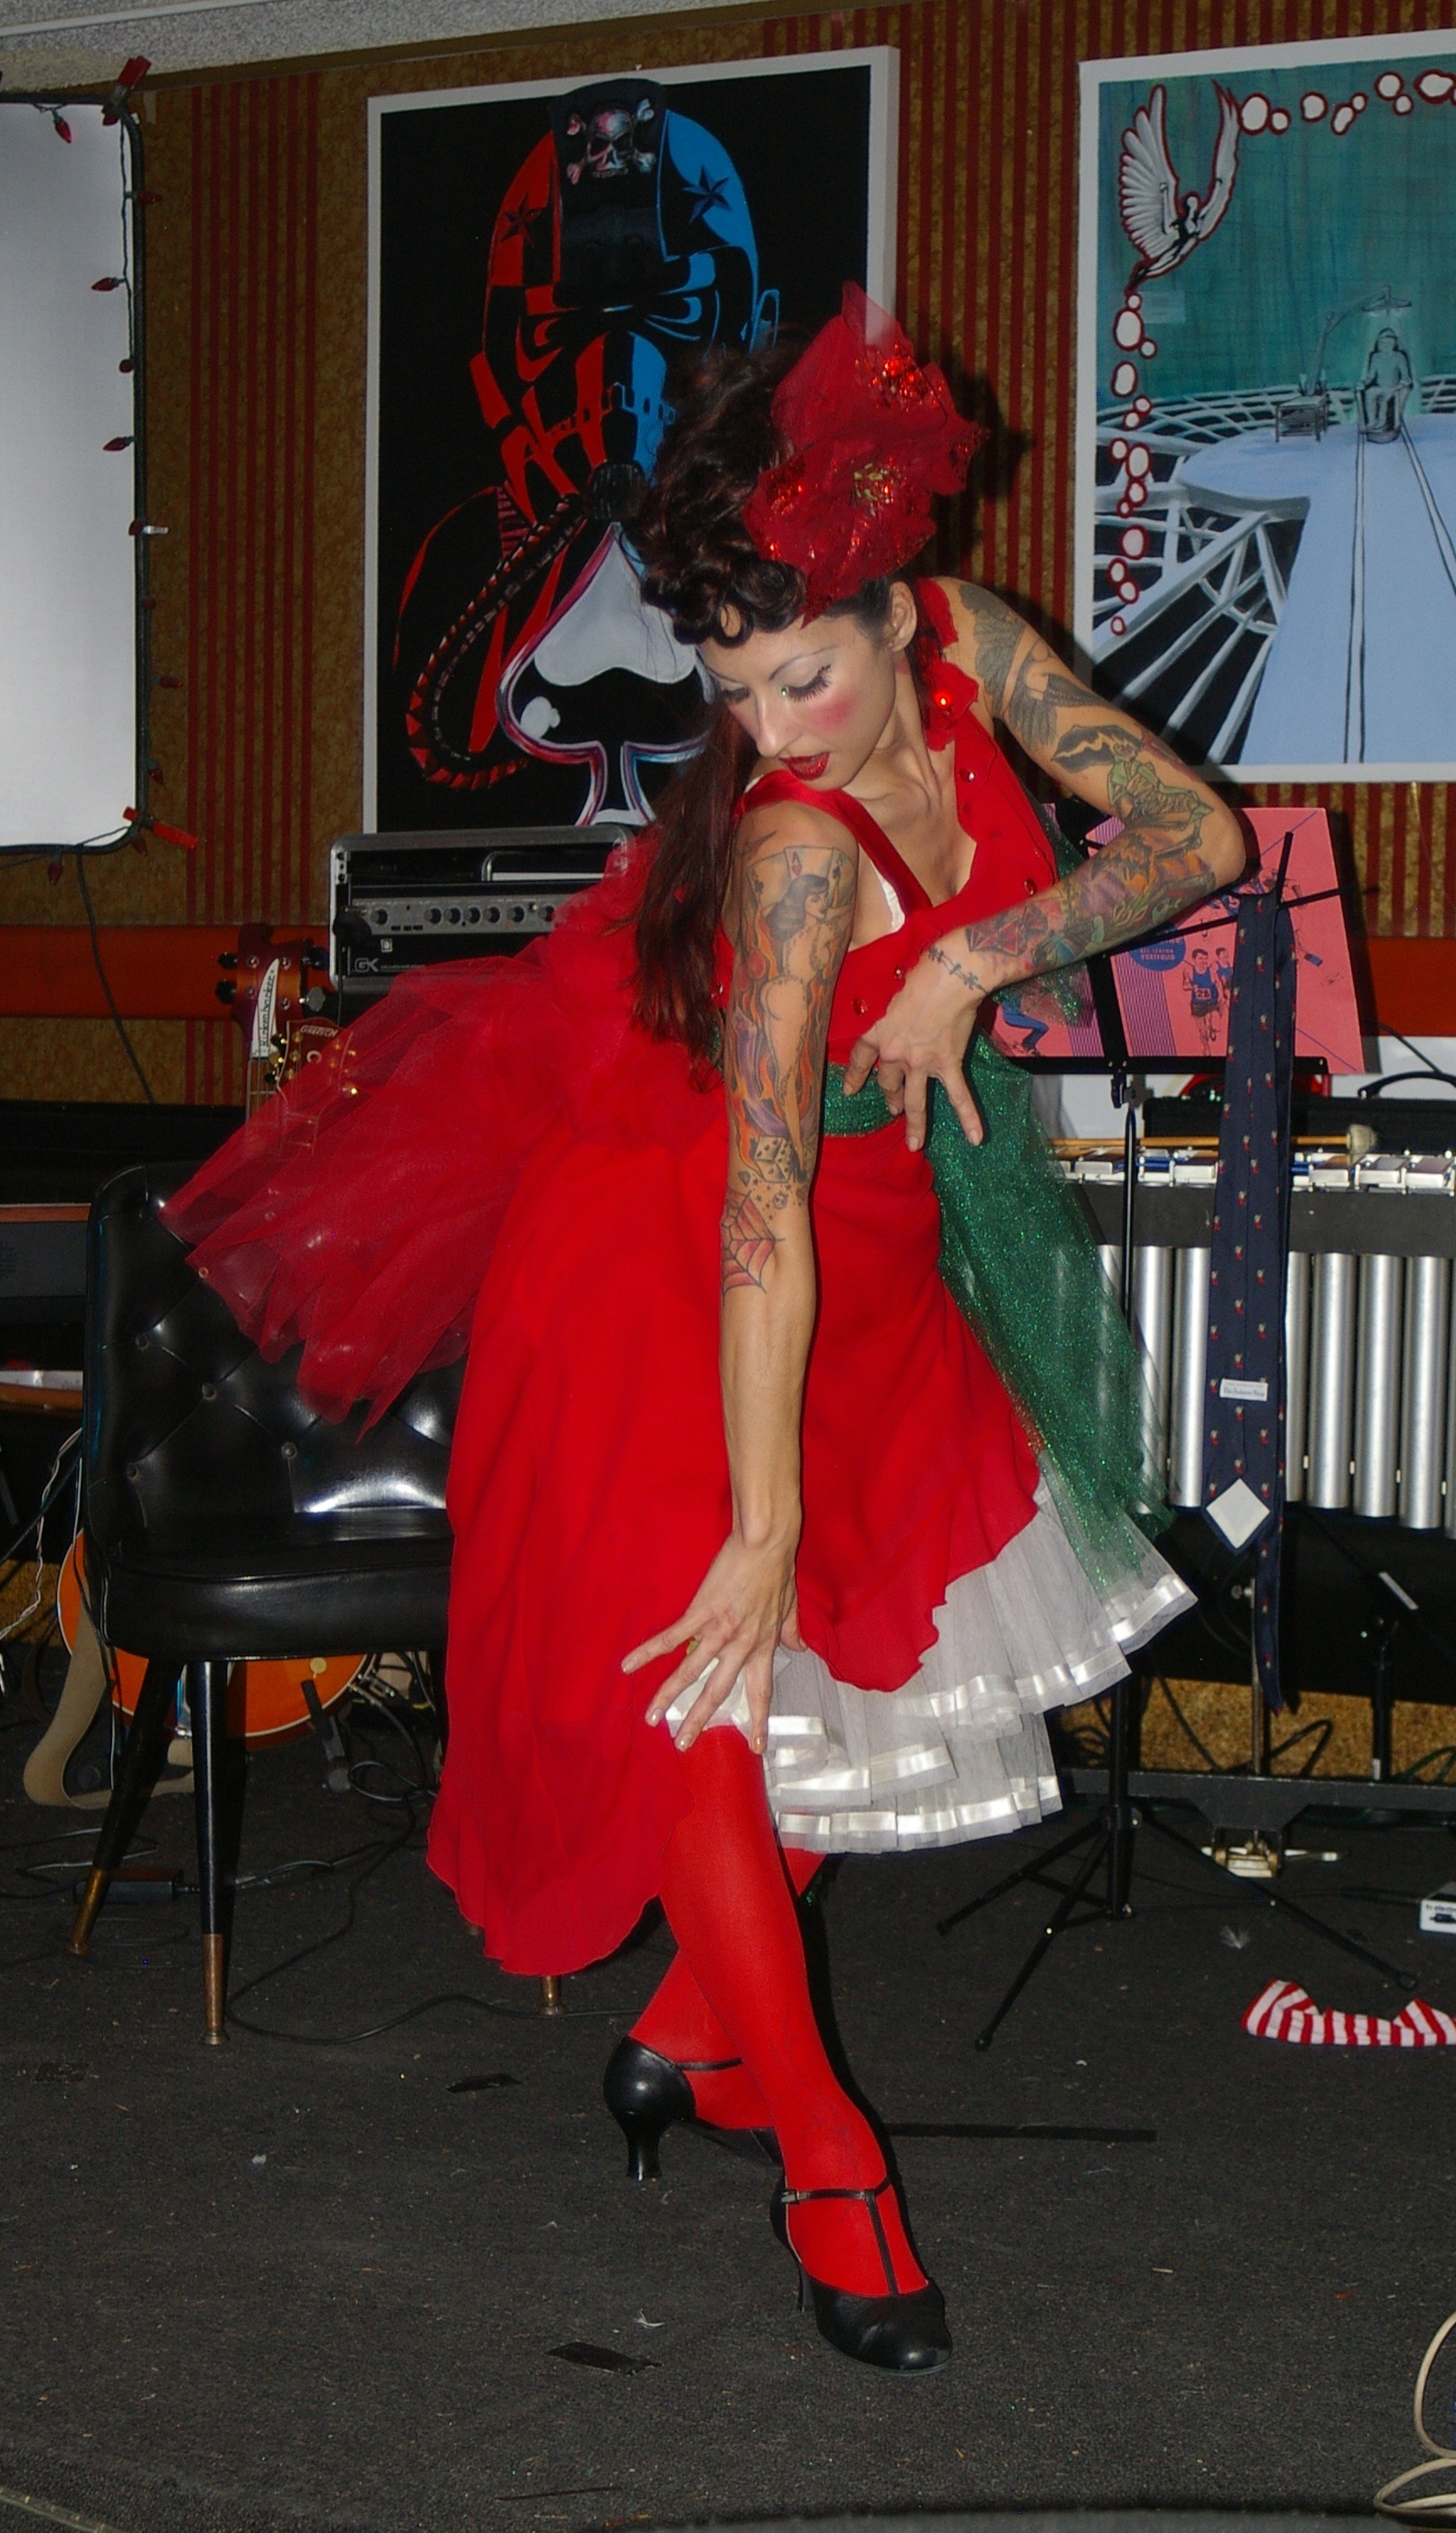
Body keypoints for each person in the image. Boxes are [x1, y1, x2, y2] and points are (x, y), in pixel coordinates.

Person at [164, 289, 1245, 2376]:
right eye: (731, 687)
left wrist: (981, 961)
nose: (775, 719)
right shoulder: (786, 859)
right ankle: (828, 2162)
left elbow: (1193, 837)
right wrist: (751, 1519)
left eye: (800, 669)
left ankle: (681, 2031)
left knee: (852, 1637)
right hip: (667, 1260)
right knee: (715, 1678)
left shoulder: (973, 638)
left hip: (880, 1235)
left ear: (893, 613)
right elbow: (756, 1212)